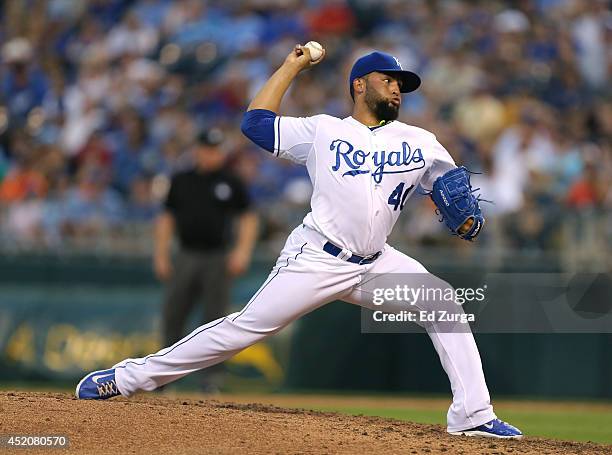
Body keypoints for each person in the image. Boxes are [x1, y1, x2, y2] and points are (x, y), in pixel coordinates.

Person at [76, 45, 523, 440]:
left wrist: (466, 219)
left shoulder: (420, 141)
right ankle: (127, 377)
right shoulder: (323, 131)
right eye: (389, 81)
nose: (397, 90)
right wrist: (292, 66)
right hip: (317, 257)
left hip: (376, 263)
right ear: (359, 85)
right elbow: (255, 124)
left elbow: (449, 187)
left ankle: (472, 414)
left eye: (402, 84)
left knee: (442, 303)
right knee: (242, 330)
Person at [152, 127, 258, 391]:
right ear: (197, 150)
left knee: (215, 319)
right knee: (173, 315)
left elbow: (248, 217)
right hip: (186, 254)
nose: (212, 155)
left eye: (216, 149)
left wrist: (242, 251)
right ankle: (163, 377)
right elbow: (166, 219)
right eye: (208, 149)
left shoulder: (230, 181)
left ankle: (212, 379)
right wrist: (162, 254)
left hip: (217, 257)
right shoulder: (181, 179)